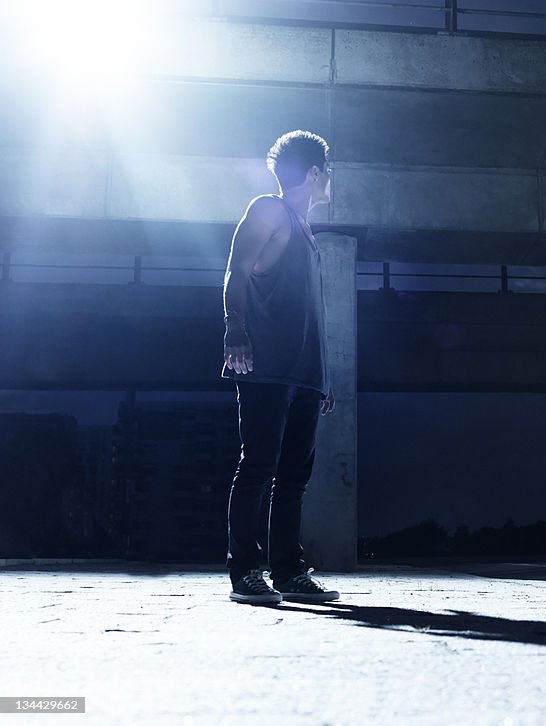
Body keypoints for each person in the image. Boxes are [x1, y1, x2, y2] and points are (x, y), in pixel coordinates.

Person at [221, 130, 340, 605]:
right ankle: (246, 573)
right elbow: (236, 271)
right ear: (314, 173)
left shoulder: (308, 230)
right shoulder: (269, 210)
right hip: (265, 363)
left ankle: (289, 572)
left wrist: (323, 375)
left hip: (305, 372)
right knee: (259, 468)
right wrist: (235, 329)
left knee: (294, 476)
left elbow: (311, 309)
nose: (331, 180)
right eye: (328, 172)